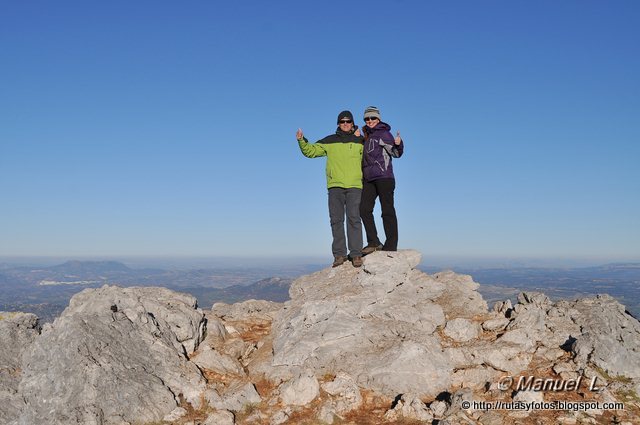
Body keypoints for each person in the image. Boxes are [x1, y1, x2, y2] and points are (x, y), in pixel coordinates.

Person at [296, 111, 365, 267]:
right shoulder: (330, 141)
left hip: (355, 185)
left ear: (353, 123)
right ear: (338, 124)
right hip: (335, 186)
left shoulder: (361, 141)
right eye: (342, 121)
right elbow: (311, 151)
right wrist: (301, 140)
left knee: (354, 219)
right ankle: (339, 255)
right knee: (336, 220)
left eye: (348, 121)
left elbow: (370, 158)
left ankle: (356, 255)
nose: (345, 124)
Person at [359, 106, 404, 254]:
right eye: (367, 119)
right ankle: (374, 242)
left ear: (378, 119)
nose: (370, 121)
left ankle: (391, 246)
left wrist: (399, 144)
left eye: (372, 118)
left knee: (387, 211)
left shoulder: (384, 133)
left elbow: (396, 153)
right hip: (369, 179)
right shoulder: (366, 136)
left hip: (384, 177)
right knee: (364, 209)